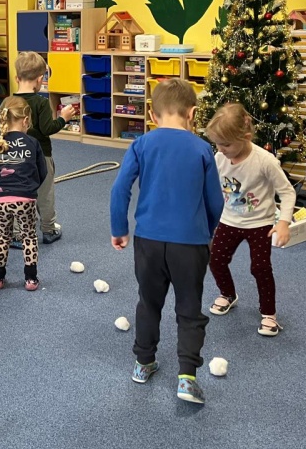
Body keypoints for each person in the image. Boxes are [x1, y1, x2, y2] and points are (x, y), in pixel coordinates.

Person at [110, 79, 223, 406]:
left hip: (148, 240)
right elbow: (215, 202)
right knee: (189, 308)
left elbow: (120, 189)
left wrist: (120, 228)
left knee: (149, 302)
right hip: (190, 244)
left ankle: (143, 362)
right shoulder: (202, 148)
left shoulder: (141, 144)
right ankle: (187, 377)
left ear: (151, 114)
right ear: (192, 113)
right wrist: (207, 233)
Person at [205, 102, 296, 337]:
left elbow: (287, 192)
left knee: (260, 268)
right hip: (229, 220)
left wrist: (283, 222)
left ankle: (268, 314)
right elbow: (211, 187)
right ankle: (228, 294)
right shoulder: (220, 157)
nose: (221, 149)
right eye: (217, 143)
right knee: (215, 260)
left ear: (245, 137)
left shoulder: (265, 161)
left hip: (260, 223)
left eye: (226, 144)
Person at [0, 97, 47, 291]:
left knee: (2, 236)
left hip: (0, 199)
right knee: (29, 236)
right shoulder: (33, 142)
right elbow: (42, 172)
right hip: (25, 198)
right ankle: (31, 279)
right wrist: (30, 188)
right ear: (26, 120)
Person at [14, 52, 76, 244]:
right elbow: (48, 129)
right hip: (41, 156)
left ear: (16, 78)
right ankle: (48, 230)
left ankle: (17, 234)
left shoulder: (8, 102)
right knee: (45, 194)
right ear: (40, 79)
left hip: (16, 156)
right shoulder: (41, 103)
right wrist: (63, 118)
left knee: (18, 193)